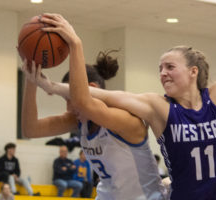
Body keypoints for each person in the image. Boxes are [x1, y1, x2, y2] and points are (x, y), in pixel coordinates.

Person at [34, 0, 216, 198]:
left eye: (170, 66)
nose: (163, 73)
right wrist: (51, 86)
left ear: (193, 71)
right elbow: (100, 95)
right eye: (160, 68)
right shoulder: (159, 107)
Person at [21, 21, 166, 199]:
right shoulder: (79, 120)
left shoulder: (125, 120)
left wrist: (75, 44)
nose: (67, 107)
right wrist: (31, 77)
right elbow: (31, 129)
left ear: (91, 88)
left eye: (68, 97)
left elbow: (84, 102)